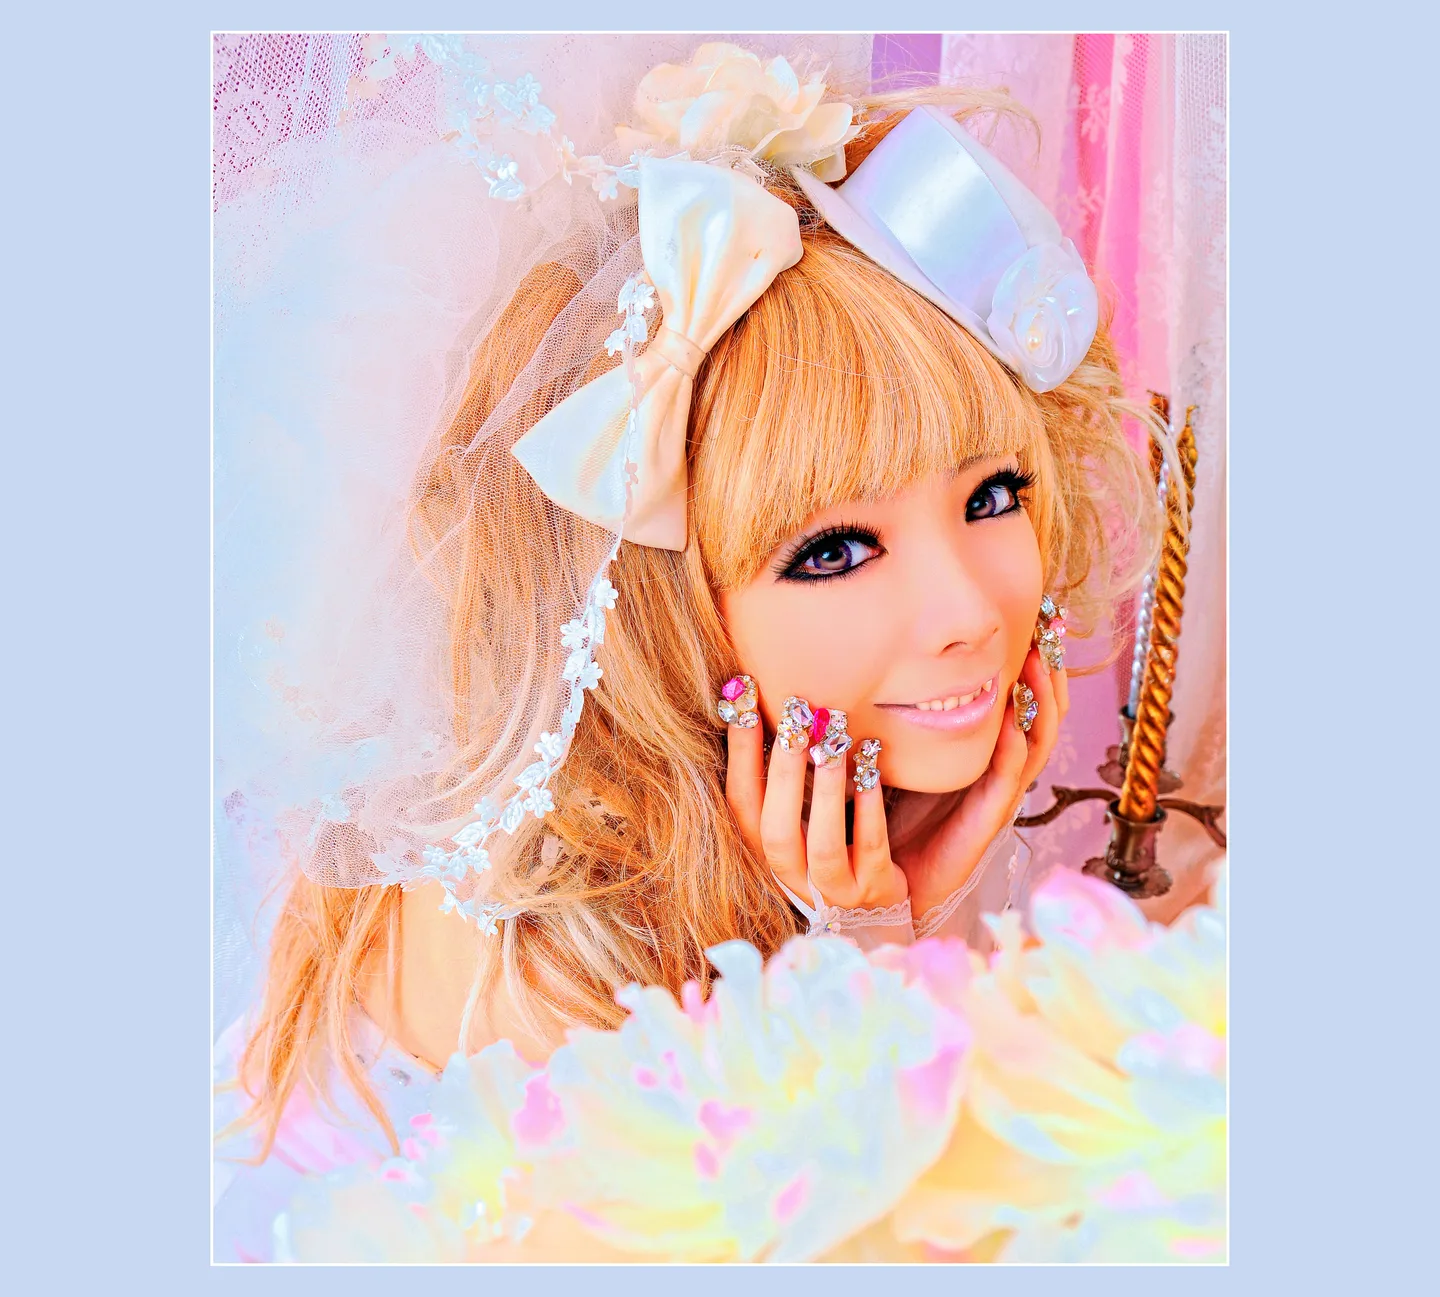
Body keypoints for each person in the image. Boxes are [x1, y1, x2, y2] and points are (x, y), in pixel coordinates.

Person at [213, 37, 1168, 1262]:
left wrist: (877, 919)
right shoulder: (540, 963)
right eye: (834, 550)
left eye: (992, 496)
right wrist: (870, 950)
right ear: (651, 606)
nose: (972, 612)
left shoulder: (776, 841)